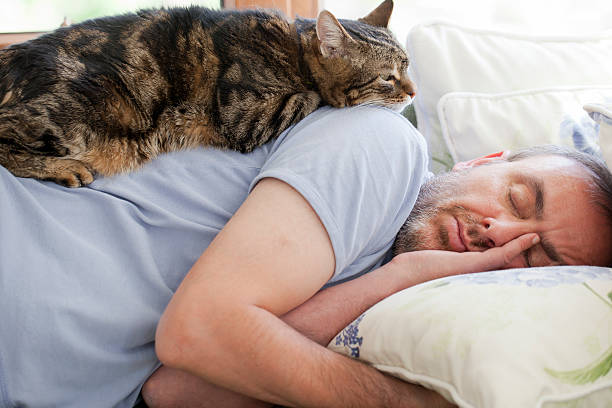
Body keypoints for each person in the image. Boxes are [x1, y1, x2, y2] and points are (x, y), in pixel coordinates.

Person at [0, 106, 610, 408]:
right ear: (483, 162)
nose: (497, 232)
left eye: (533, 256)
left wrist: (395, 281)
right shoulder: (384, 148)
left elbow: (173, 389)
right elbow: (202, 334)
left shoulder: (382, 297)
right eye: (517, 197)